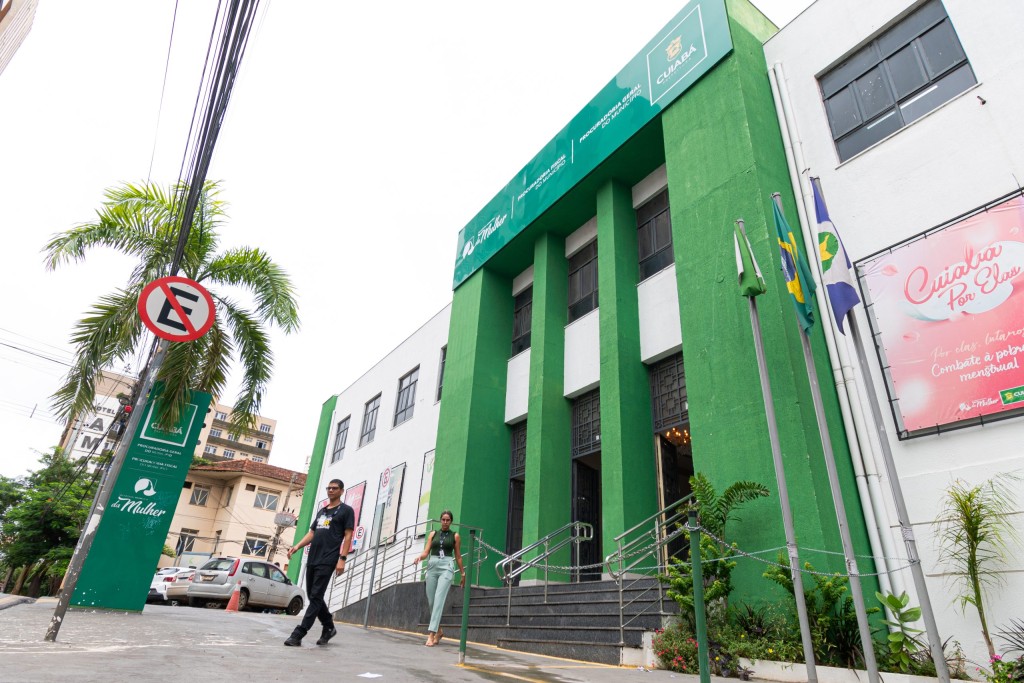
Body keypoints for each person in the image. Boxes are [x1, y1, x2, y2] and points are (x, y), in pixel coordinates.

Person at [283, 478, 354, 647]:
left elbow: (348, 536)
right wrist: (297, 546)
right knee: (314, 595)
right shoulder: (322, 511)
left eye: (334, 488)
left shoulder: (346, 510)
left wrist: (342, 559)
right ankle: (328, 626)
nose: (331, 490)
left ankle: (299, 633)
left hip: (328, 559)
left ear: (341, 491)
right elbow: (312, 533)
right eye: (329, 488)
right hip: (313, 557)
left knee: (315, 596)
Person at [410, 510, 465, 646]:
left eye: (448, 520)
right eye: (443, 519)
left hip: (446, 566)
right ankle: (439, 630)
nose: (445, 522)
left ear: (451, 521)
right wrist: (419, 557)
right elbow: (426, 552)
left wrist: (462, 573)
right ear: (440, 520)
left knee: (439, 599)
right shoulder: (433, 534)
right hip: (432, 565)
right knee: (431, 601)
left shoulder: (455, 536)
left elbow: (458, 556)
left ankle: (431, 634)